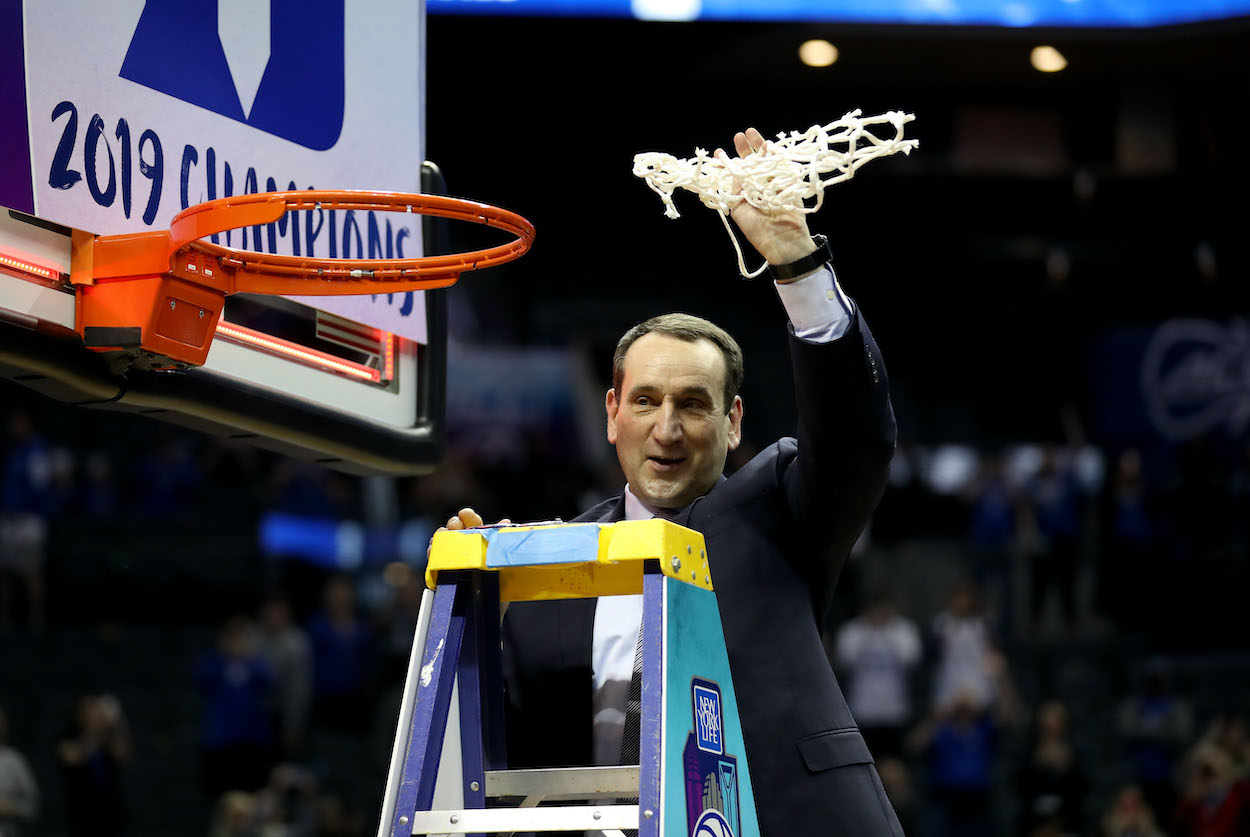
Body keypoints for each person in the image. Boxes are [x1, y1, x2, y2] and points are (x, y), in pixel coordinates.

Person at [443, 127, 900, 836]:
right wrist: (465, 597)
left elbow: (858, 437)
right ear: (612, 414)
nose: (667, 428)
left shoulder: (783, 507)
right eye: (647, 401)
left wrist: (796, 264)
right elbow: (493, 749)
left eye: (693, 404)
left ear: (733, 420)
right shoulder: (540, 562)